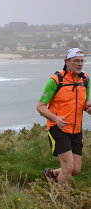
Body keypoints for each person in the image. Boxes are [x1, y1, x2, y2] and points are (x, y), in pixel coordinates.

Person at [37, 48, 91, 185]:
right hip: (57, 128)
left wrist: (88, 108)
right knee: (68, 168)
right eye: (76, 61)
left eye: (81, 61)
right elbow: (40, 106)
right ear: (66, 62)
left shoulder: (85, 79)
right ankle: (60, 200)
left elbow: (84, 102)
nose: (80, 64)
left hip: (76, 129)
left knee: (76, 169)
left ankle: (52, 173)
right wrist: (56, 119)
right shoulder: (56, 80)